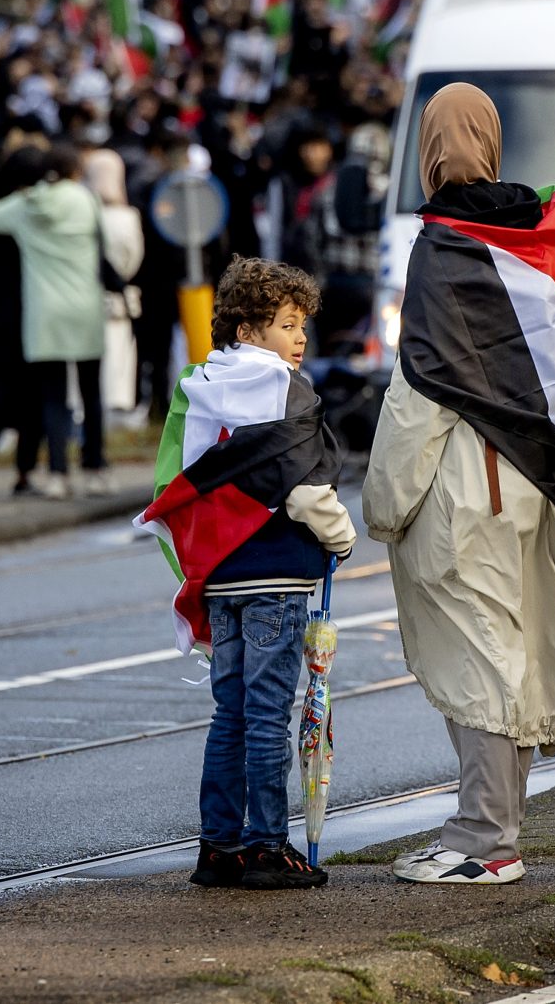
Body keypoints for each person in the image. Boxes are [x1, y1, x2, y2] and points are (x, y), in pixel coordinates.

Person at [363, 83, 555, 884]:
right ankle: (493, 829)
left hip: (465, 484)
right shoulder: (536, 235)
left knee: (481, 663)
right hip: (534, 480)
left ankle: (483, 843)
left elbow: (422, 390)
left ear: (430, 150)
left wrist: (384, 503)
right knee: (511, 652)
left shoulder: (443, 245)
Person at [144, 258, 351, 892]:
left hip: (223, 577)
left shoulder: (200, 384)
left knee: (228, 713)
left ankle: (219, 845)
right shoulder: (283, 389)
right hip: (277, 575)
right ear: (246, 328)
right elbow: (298, 484)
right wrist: (340, 535)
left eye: (302, 326)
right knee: (268, 714)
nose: (299, 339)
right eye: (286, 324)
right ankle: (267, 844)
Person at [0, 146, 107, 499]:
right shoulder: (85, 199)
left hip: (44, 313)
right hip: (85, 306)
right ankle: (96, 468)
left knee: (53, 398)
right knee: (91, 393)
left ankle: (58, 474)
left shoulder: (24, 206)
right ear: (74, 170)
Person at [82, 147, 146, 491]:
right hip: (123, 297)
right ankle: (120, 405)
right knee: (120, 357)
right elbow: (135, 257)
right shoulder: (129, 217)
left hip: (90, 299)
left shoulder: (85, 215)